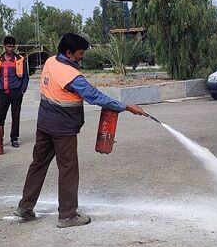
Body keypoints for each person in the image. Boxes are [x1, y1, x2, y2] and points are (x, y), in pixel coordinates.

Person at [14, 33, 145, 227]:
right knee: (68, 169)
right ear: (69, 52)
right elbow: (94, 96)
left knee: (38, 164)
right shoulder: (71, 75)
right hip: (63, 129)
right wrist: (126, 106)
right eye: (80, 53)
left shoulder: (51, 61)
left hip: (44, 125)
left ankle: (25, 207)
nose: (82, 56)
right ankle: (67, 216)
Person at [0, 36, 29, 148]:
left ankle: (14, 138)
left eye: (12, 47)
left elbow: (25, 77)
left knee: (15, 116)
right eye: (8, 46)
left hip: (16, 93)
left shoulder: (20, 60)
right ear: (4, 46)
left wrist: (22, 90)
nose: (10, 49)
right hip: (3, 93)